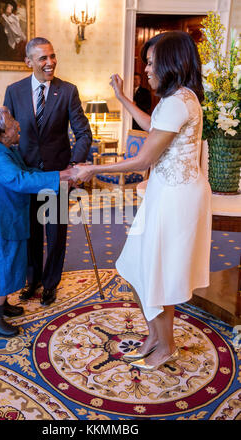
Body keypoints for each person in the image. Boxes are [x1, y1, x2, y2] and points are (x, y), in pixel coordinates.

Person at [75, 31, 212, 371]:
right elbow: (152, 126)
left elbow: (142, 159)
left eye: (151, 62)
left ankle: (165, 346)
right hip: (164, 195)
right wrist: (122, 97)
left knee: (157, 273)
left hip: (176, 200)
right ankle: (155, 335)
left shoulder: (181, 100)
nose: (146, 69)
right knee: (137, 268)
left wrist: (92, 168)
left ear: (170, 62)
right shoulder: (175, 99)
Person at [0, 107, 77, 338]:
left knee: (5, 263)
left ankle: (0, 304)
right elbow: (20, 180)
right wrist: (62, 177)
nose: (18, 125)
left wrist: (62, 175)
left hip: (3, 218)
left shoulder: (3, 149)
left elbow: (27, 171)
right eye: (13, 122)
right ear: (1, 132)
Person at [3, 37, 92, 306]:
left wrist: (73, 166)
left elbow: (83, 133)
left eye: (52, 56)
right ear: (28, 62)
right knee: (29, 233)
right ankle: (33, 281)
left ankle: (51, 283)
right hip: (26, 177)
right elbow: (7, 134)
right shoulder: (14, 91)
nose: (50, 62)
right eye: (43, 58)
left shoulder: (68, 91)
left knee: (55, 235)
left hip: (57, 177)